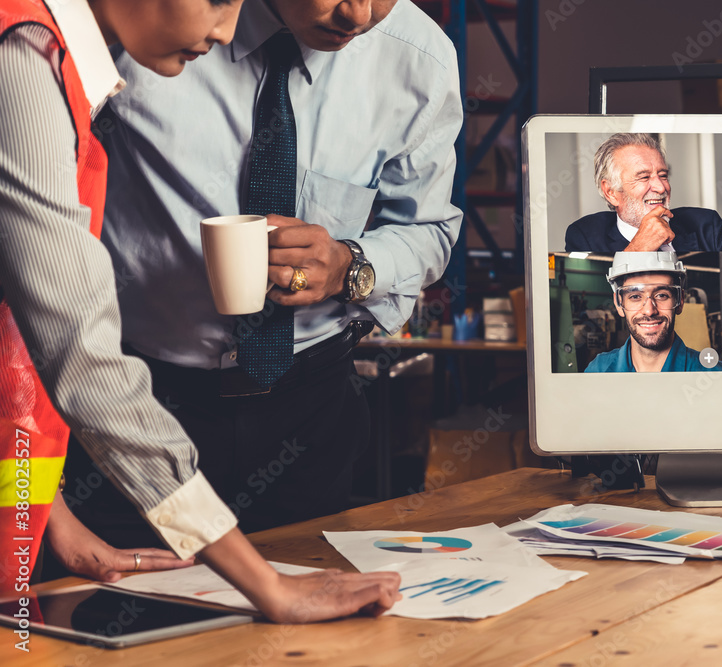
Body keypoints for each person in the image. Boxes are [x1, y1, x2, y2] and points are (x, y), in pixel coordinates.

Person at [0, 0, 400, 620]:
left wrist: (51, 516)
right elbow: (81, 353)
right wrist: (266, 585)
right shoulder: (22, 58)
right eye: (215, 1)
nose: (225, 29)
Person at [59, 0, 463, 550]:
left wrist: (351, 264)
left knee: (311, 612)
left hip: (311, 410)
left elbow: (429, 230)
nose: (360, 14)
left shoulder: (419, 58)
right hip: (137, 396)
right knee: (126, 613)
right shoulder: (147, 25)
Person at [565, 133, 722, 253]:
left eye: (663, 175)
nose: (661, 188)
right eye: (644, 177)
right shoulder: (584, 236)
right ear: (611, 192)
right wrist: (638, 248)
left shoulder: (706, 224)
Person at [586, 252, 719, 373]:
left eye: (661, 295)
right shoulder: (598, 370)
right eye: (635, 296)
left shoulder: (714, 375)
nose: (649, 311)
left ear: (680, 300)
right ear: (619, 304)